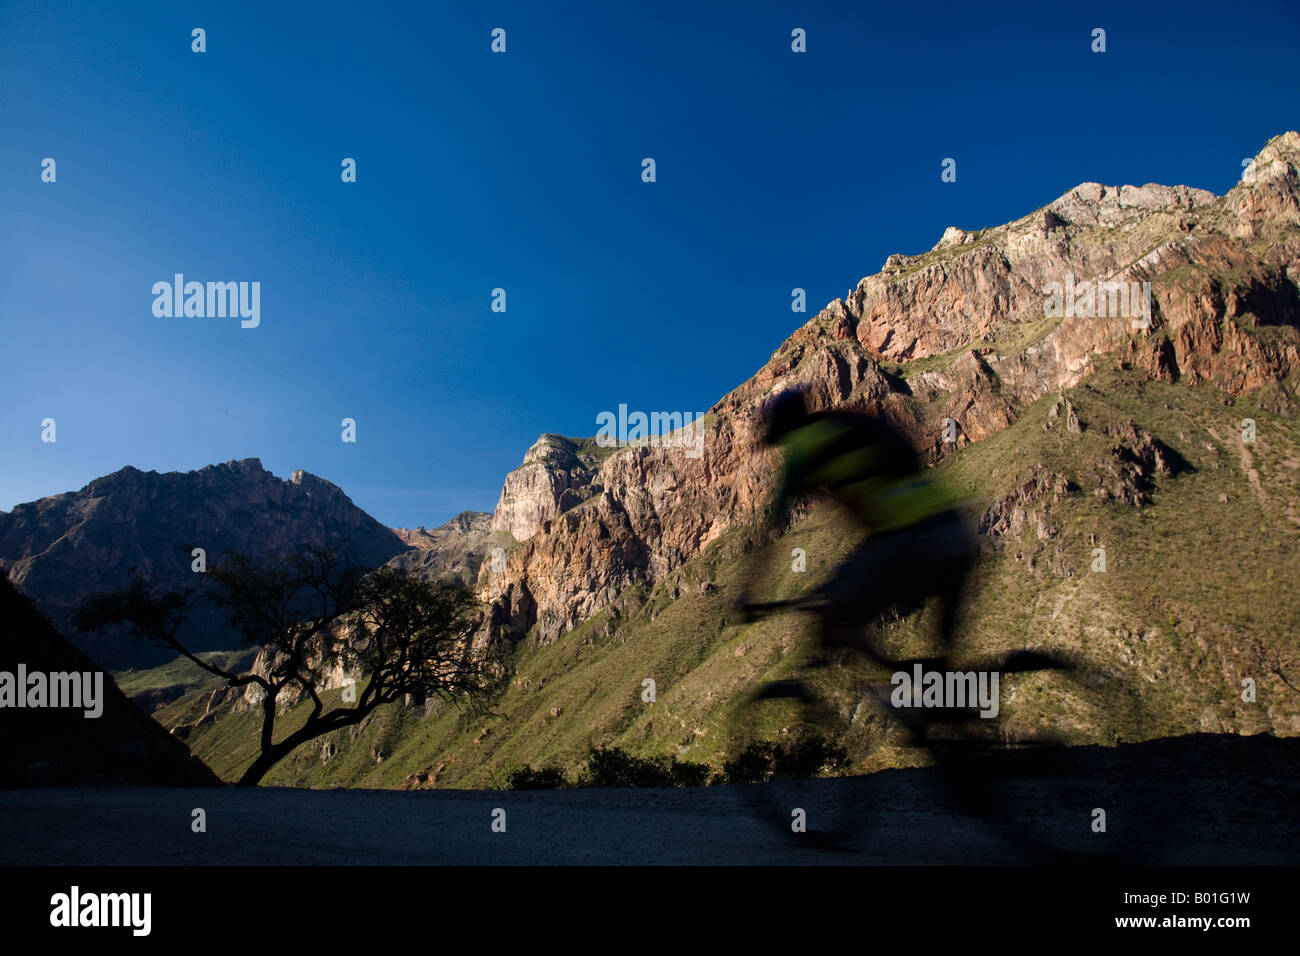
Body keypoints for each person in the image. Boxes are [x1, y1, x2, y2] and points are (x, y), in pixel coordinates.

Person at [736, 388, 977, 676]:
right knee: (943, 655)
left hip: (908, 537)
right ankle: (947, 701)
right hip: (953, 528)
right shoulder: (844, 423)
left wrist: (748, 594)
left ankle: (905, 681)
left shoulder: (804, 445)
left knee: (835, 622)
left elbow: (770, 535)